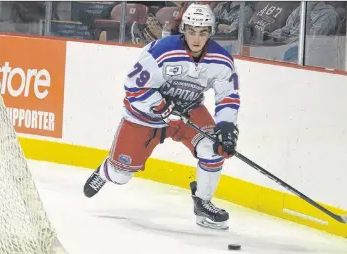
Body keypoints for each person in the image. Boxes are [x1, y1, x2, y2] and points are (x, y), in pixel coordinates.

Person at [83, 3, 240, 230]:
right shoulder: (161, 51)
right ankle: (106, 171)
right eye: (192, 31)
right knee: (120, 176)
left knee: (215, 147)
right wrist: (159, 105)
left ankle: (203, 204)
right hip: (145, 116)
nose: (197, 38)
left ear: (211, 33)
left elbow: (228, 97)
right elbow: (133, 87)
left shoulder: (222, 61)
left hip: (189, 111)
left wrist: (226, 126)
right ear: (183, 29)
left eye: (203, 32)